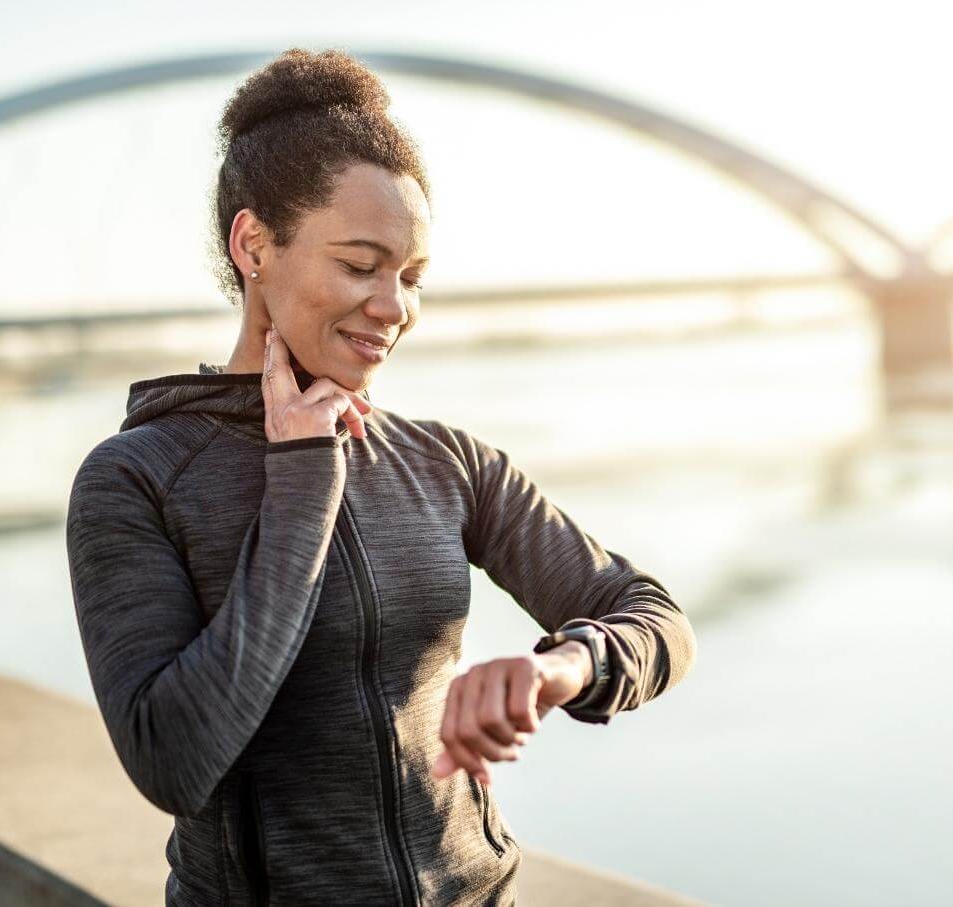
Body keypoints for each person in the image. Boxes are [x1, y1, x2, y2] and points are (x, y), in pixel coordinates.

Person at [65, 47, 697, 907]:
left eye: (412, 277)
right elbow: (174, 759)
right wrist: (299, 482)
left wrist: (560, 669)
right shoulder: (136, 479)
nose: (394, 306)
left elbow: (655, 617)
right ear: (253, 244)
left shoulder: (444, 462)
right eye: (361, 265)